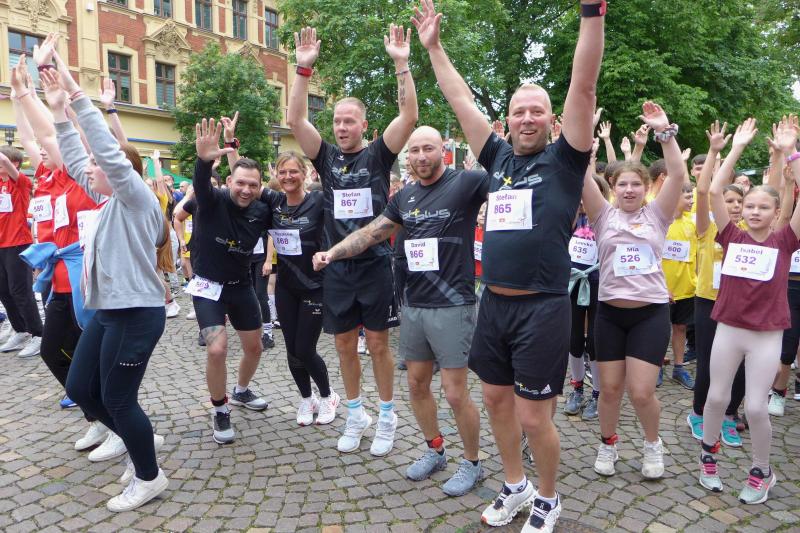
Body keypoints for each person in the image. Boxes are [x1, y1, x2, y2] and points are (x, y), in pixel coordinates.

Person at [413, 0, 603, 530]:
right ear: (508, 119)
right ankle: (515, 485)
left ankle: (548, 498)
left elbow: (584, 85)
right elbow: (459, 99)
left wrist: (592, 13)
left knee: (532, 416)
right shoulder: (496, 157)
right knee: (495, 399)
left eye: (536, 111)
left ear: (553, 120)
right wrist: (434, 48)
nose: (526, 118)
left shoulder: (566, 159)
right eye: (519, 111)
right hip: (493, 302)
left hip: (542, 308)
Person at [314, 126, 488, 495]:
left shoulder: (466, 183)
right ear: (407, 156)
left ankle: (472, 463)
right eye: (414, 150)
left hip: (453, 303)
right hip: (414, 303)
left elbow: (509, 181)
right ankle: (434, 450)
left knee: (455, 392)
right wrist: (333, 253)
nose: (421, 156)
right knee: (416, 384)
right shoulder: (405, 196)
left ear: (443, 150)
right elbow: (371, 233)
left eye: (428, 148)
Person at [42, 54, 169, 512]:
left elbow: (106, 156)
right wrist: (59, 113)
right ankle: (138, 440)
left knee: (118, 397)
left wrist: (78, 96)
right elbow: (78, 161)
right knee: (80, 387)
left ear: (120, 171)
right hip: (109, 311)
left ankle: (149, 475)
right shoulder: (108, 201)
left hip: (137, 313)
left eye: (100, 164)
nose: (91, 168)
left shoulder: (137, 199)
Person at [288, 23, 418, 456]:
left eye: (349, 121)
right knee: (344, 344)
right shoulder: (325, 157)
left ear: (364, 125)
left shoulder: (378, 155)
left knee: (378, 344)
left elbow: (409, 117)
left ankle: (387, 414)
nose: (342, 127)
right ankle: (355, 413)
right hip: (337, 266)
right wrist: (303, 70)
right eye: (337, 121)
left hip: (376, 263)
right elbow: (295, 120)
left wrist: (401, 64)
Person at [582, 102, 687, 483]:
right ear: (612, 188)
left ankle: (652, 444)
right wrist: (585, 138)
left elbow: (677, 173)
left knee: (641, 392)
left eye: (636, 184)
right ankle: (608, 443)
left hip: (649, 314)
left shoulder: (658, 214)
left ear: (646, 188)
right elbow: (581, 176)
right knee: (609, 390)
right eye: (622, 184)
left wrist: (664, 132)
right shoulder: (602, 215)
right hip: (610, 313)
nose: (629, 189)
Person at [699, 116, 800, 504]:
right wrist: (735, 147)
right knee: (716, 398)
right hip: (729, 329)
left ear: (776, 212)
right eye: (750, 206)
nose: (755, 211)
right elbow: (712, 190)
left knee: (756, 407)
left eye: (763, 207)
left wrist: (790, 152)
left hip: (767, 335)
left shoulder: (784, 241)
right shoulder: (731, 236)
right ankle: (708, 459)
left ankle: (761, 471)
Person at [187, 118, 272, 444]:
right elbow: (201, 182)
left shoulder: (261, 210)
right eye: (240, 184)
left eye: (253, 185)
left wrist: (233, 144)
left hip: (241, 286)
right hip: (208, 287)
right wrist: (203, 159)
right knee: (217, 348)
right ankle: (220, 409)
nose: (246, 190)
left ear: (260, 186)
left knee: (255, 347)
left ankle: (241, 390)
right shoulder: (212, 200)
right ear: (228, 182)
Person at [261, 151, 339, 425]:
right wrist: (232, 148)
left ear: (305, 173)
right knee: (292, 350)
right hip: (286, 287)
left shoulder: (318, 200)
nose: (288, 177)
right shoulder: (275, 202)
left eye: (293, 171)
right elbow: (244, 181)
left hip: (314, 286)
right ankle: (307, 398)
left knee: (305, 349)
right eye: (282, 172)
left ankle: (328, 396)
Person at [687, 120, 746, 449]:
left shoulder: (752, 233)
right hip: (708, 300)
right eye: (728, 201)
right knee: (709, 362)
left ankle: (729, 415)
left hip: (741, 306)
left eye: (739, 201)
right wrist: (714, 152)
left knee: (740, 365)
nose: (734, 206)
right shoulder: (707, 228)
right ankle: (698, 413)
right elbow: (702, 191)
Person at [564, 169, 608, 421]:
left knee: (595, 342)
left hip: (598, 286)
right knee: (573, 340)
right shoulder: (571, 217)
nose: (584, 199)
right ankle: (577, 388)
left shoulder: (606, 220)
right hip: (573, 284)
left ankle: (597, 394)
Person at [662, 182, 697, 389]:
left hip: (686, 288)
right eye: (688, 197)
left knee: (681, 327)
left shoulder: (692, 223)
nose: (692, 201)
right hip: (662, 288)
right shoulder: (662, 222)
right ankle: (657, 365)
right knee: (660, 329)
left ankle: (678, 367)